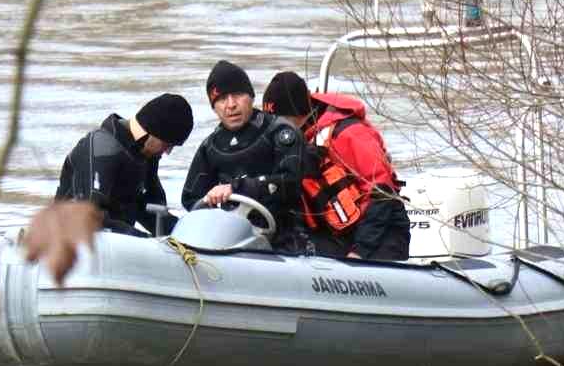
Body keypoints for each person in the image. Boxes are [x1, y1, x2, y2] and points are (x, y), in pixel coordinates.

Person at [261, 71, 411, 261]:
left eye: (280, 121)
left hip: (381, 235)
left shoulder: (350, 134)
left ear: (299, 115)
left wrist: (359, 252)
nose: (275, 129)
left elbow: (383, 194)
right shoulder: (296, 142)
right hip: (337, 232)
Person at [180, 60, 307, 242]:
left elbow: (291, 182)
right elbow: (191, 199)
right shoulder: (211, 147)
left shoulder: (281, 132)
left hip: (285, 237)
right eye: (222, 99)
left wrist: (237, 188)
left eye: (238, 95)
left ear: (251, 97)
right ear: (214, 107)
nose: (231, 105)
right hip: (228, 237)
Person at [55, 93, 192, 236]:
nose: (167, 152)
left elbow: (151, 211)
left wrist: (185, 232)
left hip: (117, 245)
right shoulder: (102, 147)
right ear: (151, 131)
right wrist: (143, 240)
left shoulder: (145, 155)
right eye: (167, 144)